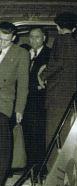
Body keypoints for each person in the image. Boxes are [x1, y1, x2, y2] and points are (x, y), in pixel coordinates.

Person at [40, 12, 77, 147]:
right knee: (64, 133)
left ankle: (50, 167)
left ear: (58, 27)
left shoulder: (61, 40)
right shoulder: (74, 42)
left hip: (57, 97)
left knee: (52, 134)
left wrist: (42, 76)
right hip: (69, 97)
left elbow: (57, 63)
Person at [21, 28, 50, 170]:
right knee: (26, 137)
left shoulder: (50, 54)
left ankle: (39, 169)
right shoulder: (24, 54)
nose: (33, 40)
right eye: (31, 37)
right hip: (24, 103)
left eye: (37, 37)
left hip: (40, 104)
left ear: (44, 38)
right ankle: (29, 169)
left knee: (39, 138)